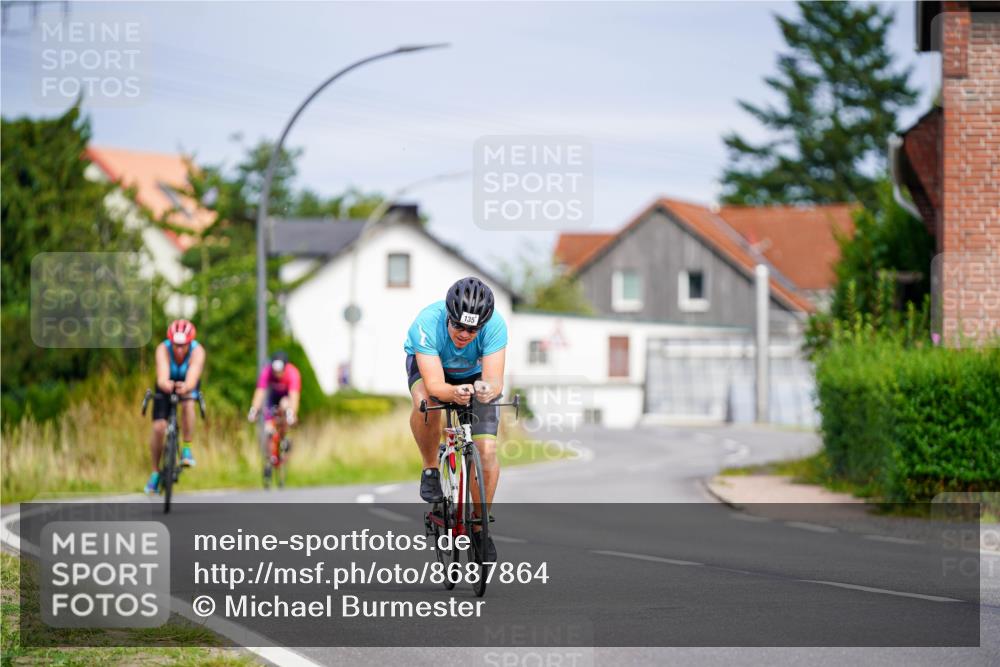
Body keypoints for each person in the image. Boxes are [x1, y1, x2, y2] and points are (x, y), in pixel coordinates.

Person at [404, 276, 507, 561]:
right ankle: (430, 469)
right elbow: (436, 386)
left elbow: (494, 380)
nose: (465, 334)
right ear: (448, 316)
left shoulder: (496, 326)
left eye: (473, 329)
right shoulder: (426, 323)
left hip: (473, 375)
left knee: (486, 451)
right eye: (459, 326)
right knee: (427, 403)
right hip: (432, 371)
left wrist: (485, 390)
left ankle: (480, 528)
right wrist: (453, 393)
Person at [145, 319, 205, 494]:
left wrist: (186, 387)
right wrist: (166, 384)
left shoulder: (198, 351)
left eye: (183, 345)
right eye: (175, 345)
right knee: (159, 427)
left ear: (189, 343)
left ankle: (186, 448)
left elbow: (193, 376)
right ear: (170, 342)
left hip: (187, 384)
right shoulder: (162, 349)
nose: (179, 349)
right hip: (166, 384)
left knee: (188, 404)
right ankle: (155, 472)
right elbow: (162, 376)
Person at [247, 351, 301, 462]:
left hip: (286, 397)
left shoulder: (293, 373)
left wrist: (292, 414)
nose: (277, 374)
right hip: (273, 397)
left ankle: (284, 437)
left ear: (285, 367)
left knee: (285, 405)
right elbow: (260, 392)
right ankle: (270, 457)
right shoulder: (267, 371)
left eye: (280, 371)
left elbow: (294, 397)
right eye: (275, 371)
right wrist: (253, 410)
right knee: (268, 427)